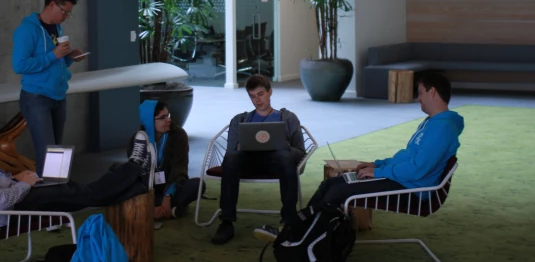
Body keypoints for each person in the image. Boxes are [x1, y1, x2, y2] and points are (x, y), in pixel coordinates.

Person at [255, 72, 464, 242]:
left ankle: (295, 235)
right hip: (402, 180)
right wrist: (377, 164)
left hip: (413, 190)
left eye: (420, 93)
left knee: (338, 192)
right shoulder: (432, 123)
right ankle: (295, 228)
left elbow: (417, 169)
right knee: (332, 184)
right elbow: (407, 157)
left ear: (433, 92)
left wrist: (378, 172)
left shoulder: (443, 128)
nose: (418, 98)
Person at [0, 92, 154, 216]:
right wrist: (23, 185)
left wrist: (15, 180)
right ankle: (135, 168)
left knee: (75, 191)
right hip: (5, 213)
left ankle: (136, 182)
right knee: (82, 193)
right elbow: (0, 202)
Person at [212, 74, 306, 245]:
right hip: (247, 164)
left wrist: (285, 146)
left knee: (284, 155)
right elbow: (230, 153)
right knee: (233, 157)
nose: (257, 100)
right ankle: (226, 222)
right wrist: (240, 147)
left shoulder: (287, 118)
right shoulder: (239, 120)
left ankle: (289, 220)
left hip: (277, 165)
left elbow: (300, 152)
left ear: (270, 92)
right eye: (252, 96)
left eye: (261, 94)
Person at [12, 0, 86, 176]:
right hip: (36, 97)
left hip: (58, 96)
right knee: (47, 154)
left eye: (69, 13)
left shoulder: (57, 27)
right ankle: (48, 197)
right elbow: (19, 66)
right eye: (64, 12)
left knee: (56, 153)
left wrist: (69, 57)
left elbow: (56, 64)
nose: (66, 17)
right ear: (52, 4)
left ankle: (55, 193)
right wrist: (54, 55)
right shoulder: (27, 30)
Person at [131, 100, 204, 220]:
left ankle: (158, 209)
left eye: (168, 115)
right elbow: (136, 175)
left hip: (171, 185)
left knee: (198, 184)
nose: (168, 120)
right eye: (162, 117)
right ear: (149, 121)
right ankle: (171, 210)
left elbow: (179, 169)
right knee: (122, 179)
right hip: (148, 189)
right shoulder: (138, 140)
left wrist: (168, 196)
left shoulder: (178, 135)